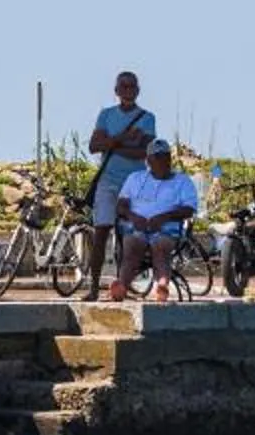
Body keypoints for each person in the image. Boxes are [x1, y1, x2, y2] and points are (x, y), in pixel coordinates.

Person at [83, 71, 157, 295]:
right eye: (123, 86)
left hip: (134, 184)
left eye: (131, 86)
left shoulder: (147, 118)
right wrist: (124, 140)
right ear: (116, 90)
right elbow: (94, 146)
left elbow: (144, 152)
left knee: (130, 237)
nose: (127, 90)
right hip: (108, 181)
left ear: (138, 90)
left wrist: (111, 144)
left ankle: (123, 285)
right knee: (100, 233)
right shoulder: (106, 115)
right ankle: (94, 287)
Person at [110, 139, 200, 301]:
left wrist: (164, 217)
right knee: (132, 246)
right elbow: (121, 206)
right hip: (136, 226)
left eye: (165, 156)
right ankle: (122, 286)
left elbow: (189, 209)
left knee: (160, 246)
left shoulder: (182, 181)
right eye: (157, 157)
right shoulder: (135, 178)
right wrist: (133, 217)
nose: (162, 161)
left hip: (167, 228)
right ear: (149, 160)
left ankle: (162, 285)